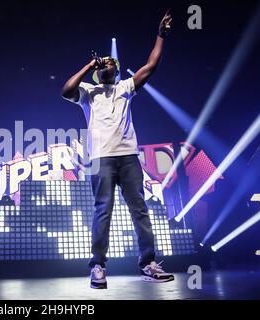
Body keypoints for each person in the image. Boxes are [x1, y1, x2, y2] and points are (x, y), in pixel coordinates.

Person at [61, 10, 174, 288]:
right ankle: (97, 267)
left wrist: (160, 35)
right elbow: (65, 90)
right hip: (101, 160)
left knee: (140, 210)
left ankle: (148, 263)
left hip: (128, 157)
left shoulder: (125, 87)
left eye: (111, 62)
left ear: (117, 69)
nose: (106, 63)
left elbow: (151, 65)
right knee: (103, 211)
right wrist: (89, 66)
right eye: (104, 62)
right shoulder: (88, 92)